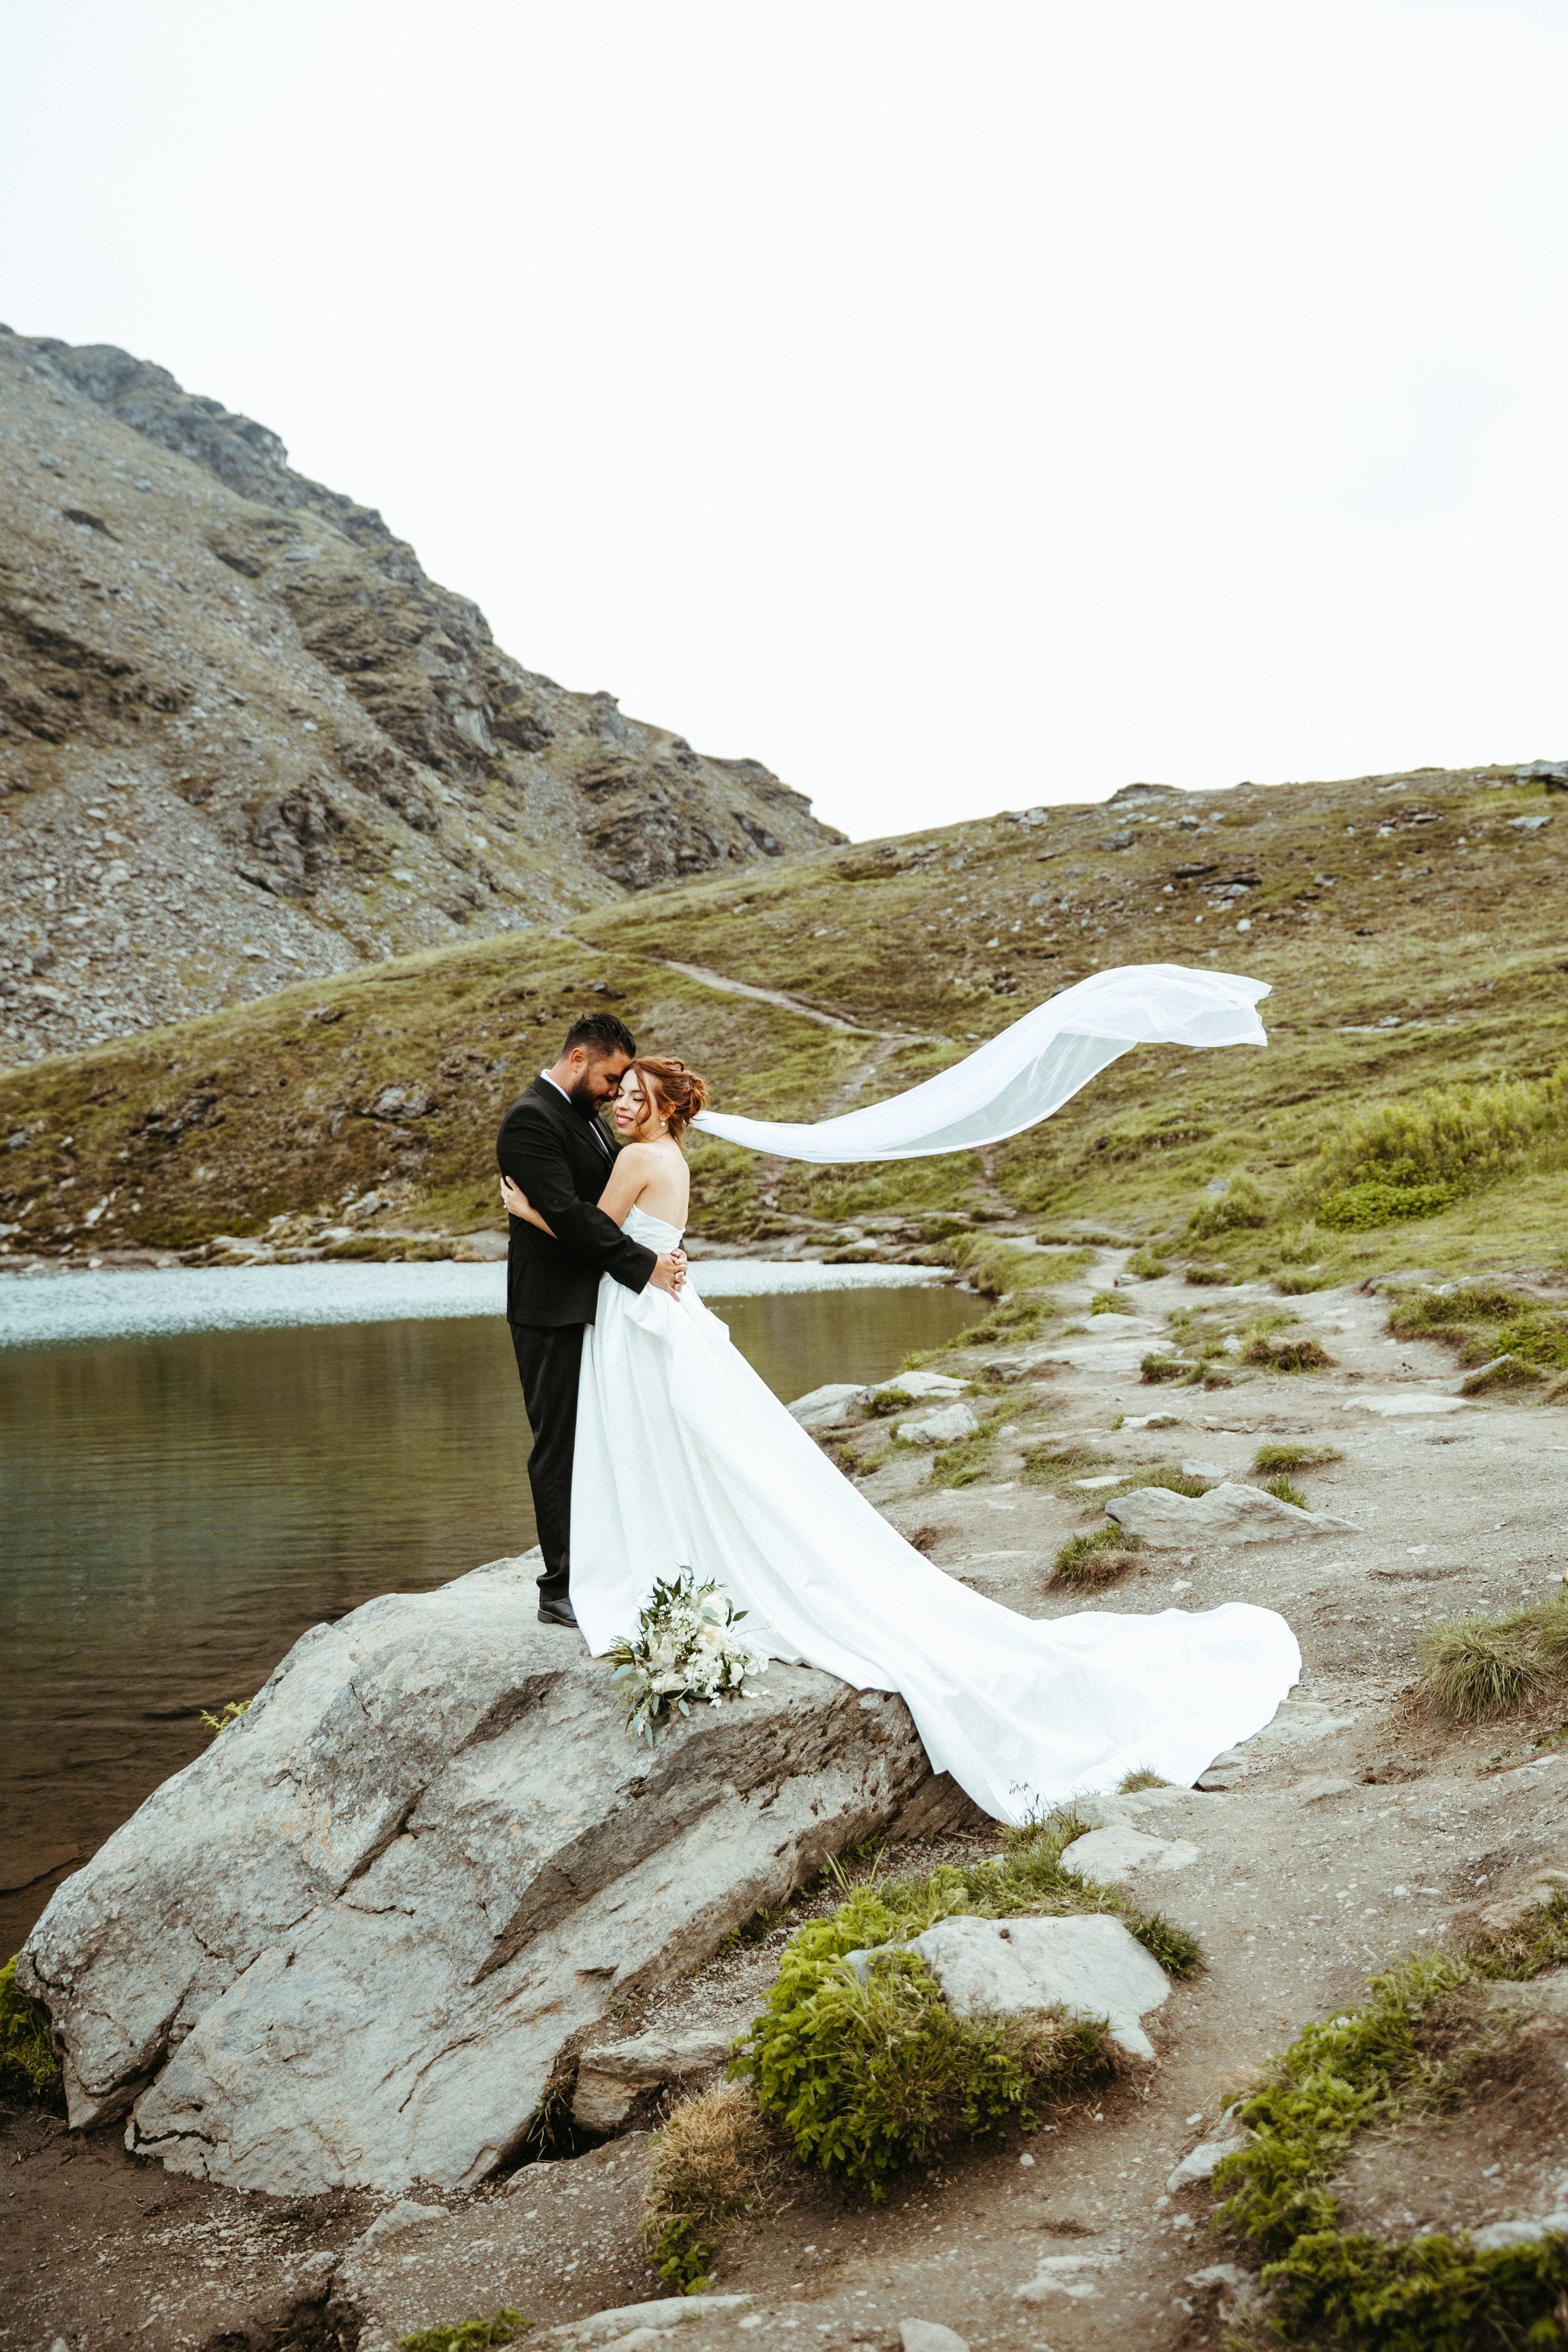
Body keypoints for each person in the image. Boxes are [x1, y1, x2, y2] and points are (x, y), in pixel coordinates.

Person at [499, 1052, 1302, 1825]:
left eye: (635, 1094)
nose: (621, 1105)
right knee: (693, 1444)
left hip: (640, 1316)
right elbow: (634, 1242)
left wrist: (526, 1210)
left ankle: (669, 1550)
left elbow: (589, 1236)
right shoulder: (664, 1153)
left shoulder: (643, 1159)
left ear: (665, 1105)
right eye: (620, 1092)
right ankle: (681, 1545)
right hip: (657, 1306)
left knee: (668, 1442)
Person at [495, 1014, 687, 1628]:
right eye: (609, 1079)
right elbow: (572, 1218)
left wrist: (654, 1255)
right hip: (550, 1307)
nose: (613, 1092)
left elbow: (614, 1212)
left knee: (599, 1442)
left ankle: (609, 1567)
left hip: (597, 1303)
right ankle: (560, 1587)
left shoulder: (585, 1117)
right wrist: (645, 1266)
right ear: (577, 1059)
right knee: (557, 1445)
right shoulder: (531, 1120)